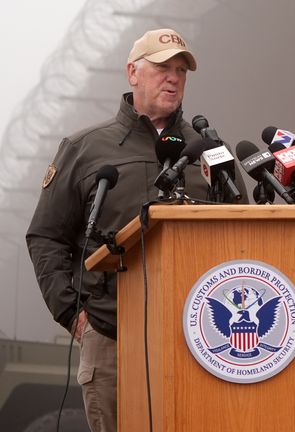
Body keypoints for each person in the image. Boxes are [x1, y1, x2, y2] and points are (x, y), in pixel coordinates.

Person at [26, 28, 225, 432]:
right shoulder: (86, 147)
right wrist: (73, 314)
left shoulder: (207, 150)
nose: (173, 77)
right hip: (113, 333)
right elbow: (46, 236)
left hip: (200, 340)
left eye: (181, 70)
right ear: (132, 72)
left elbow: (240, 228)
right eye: (162, 68)